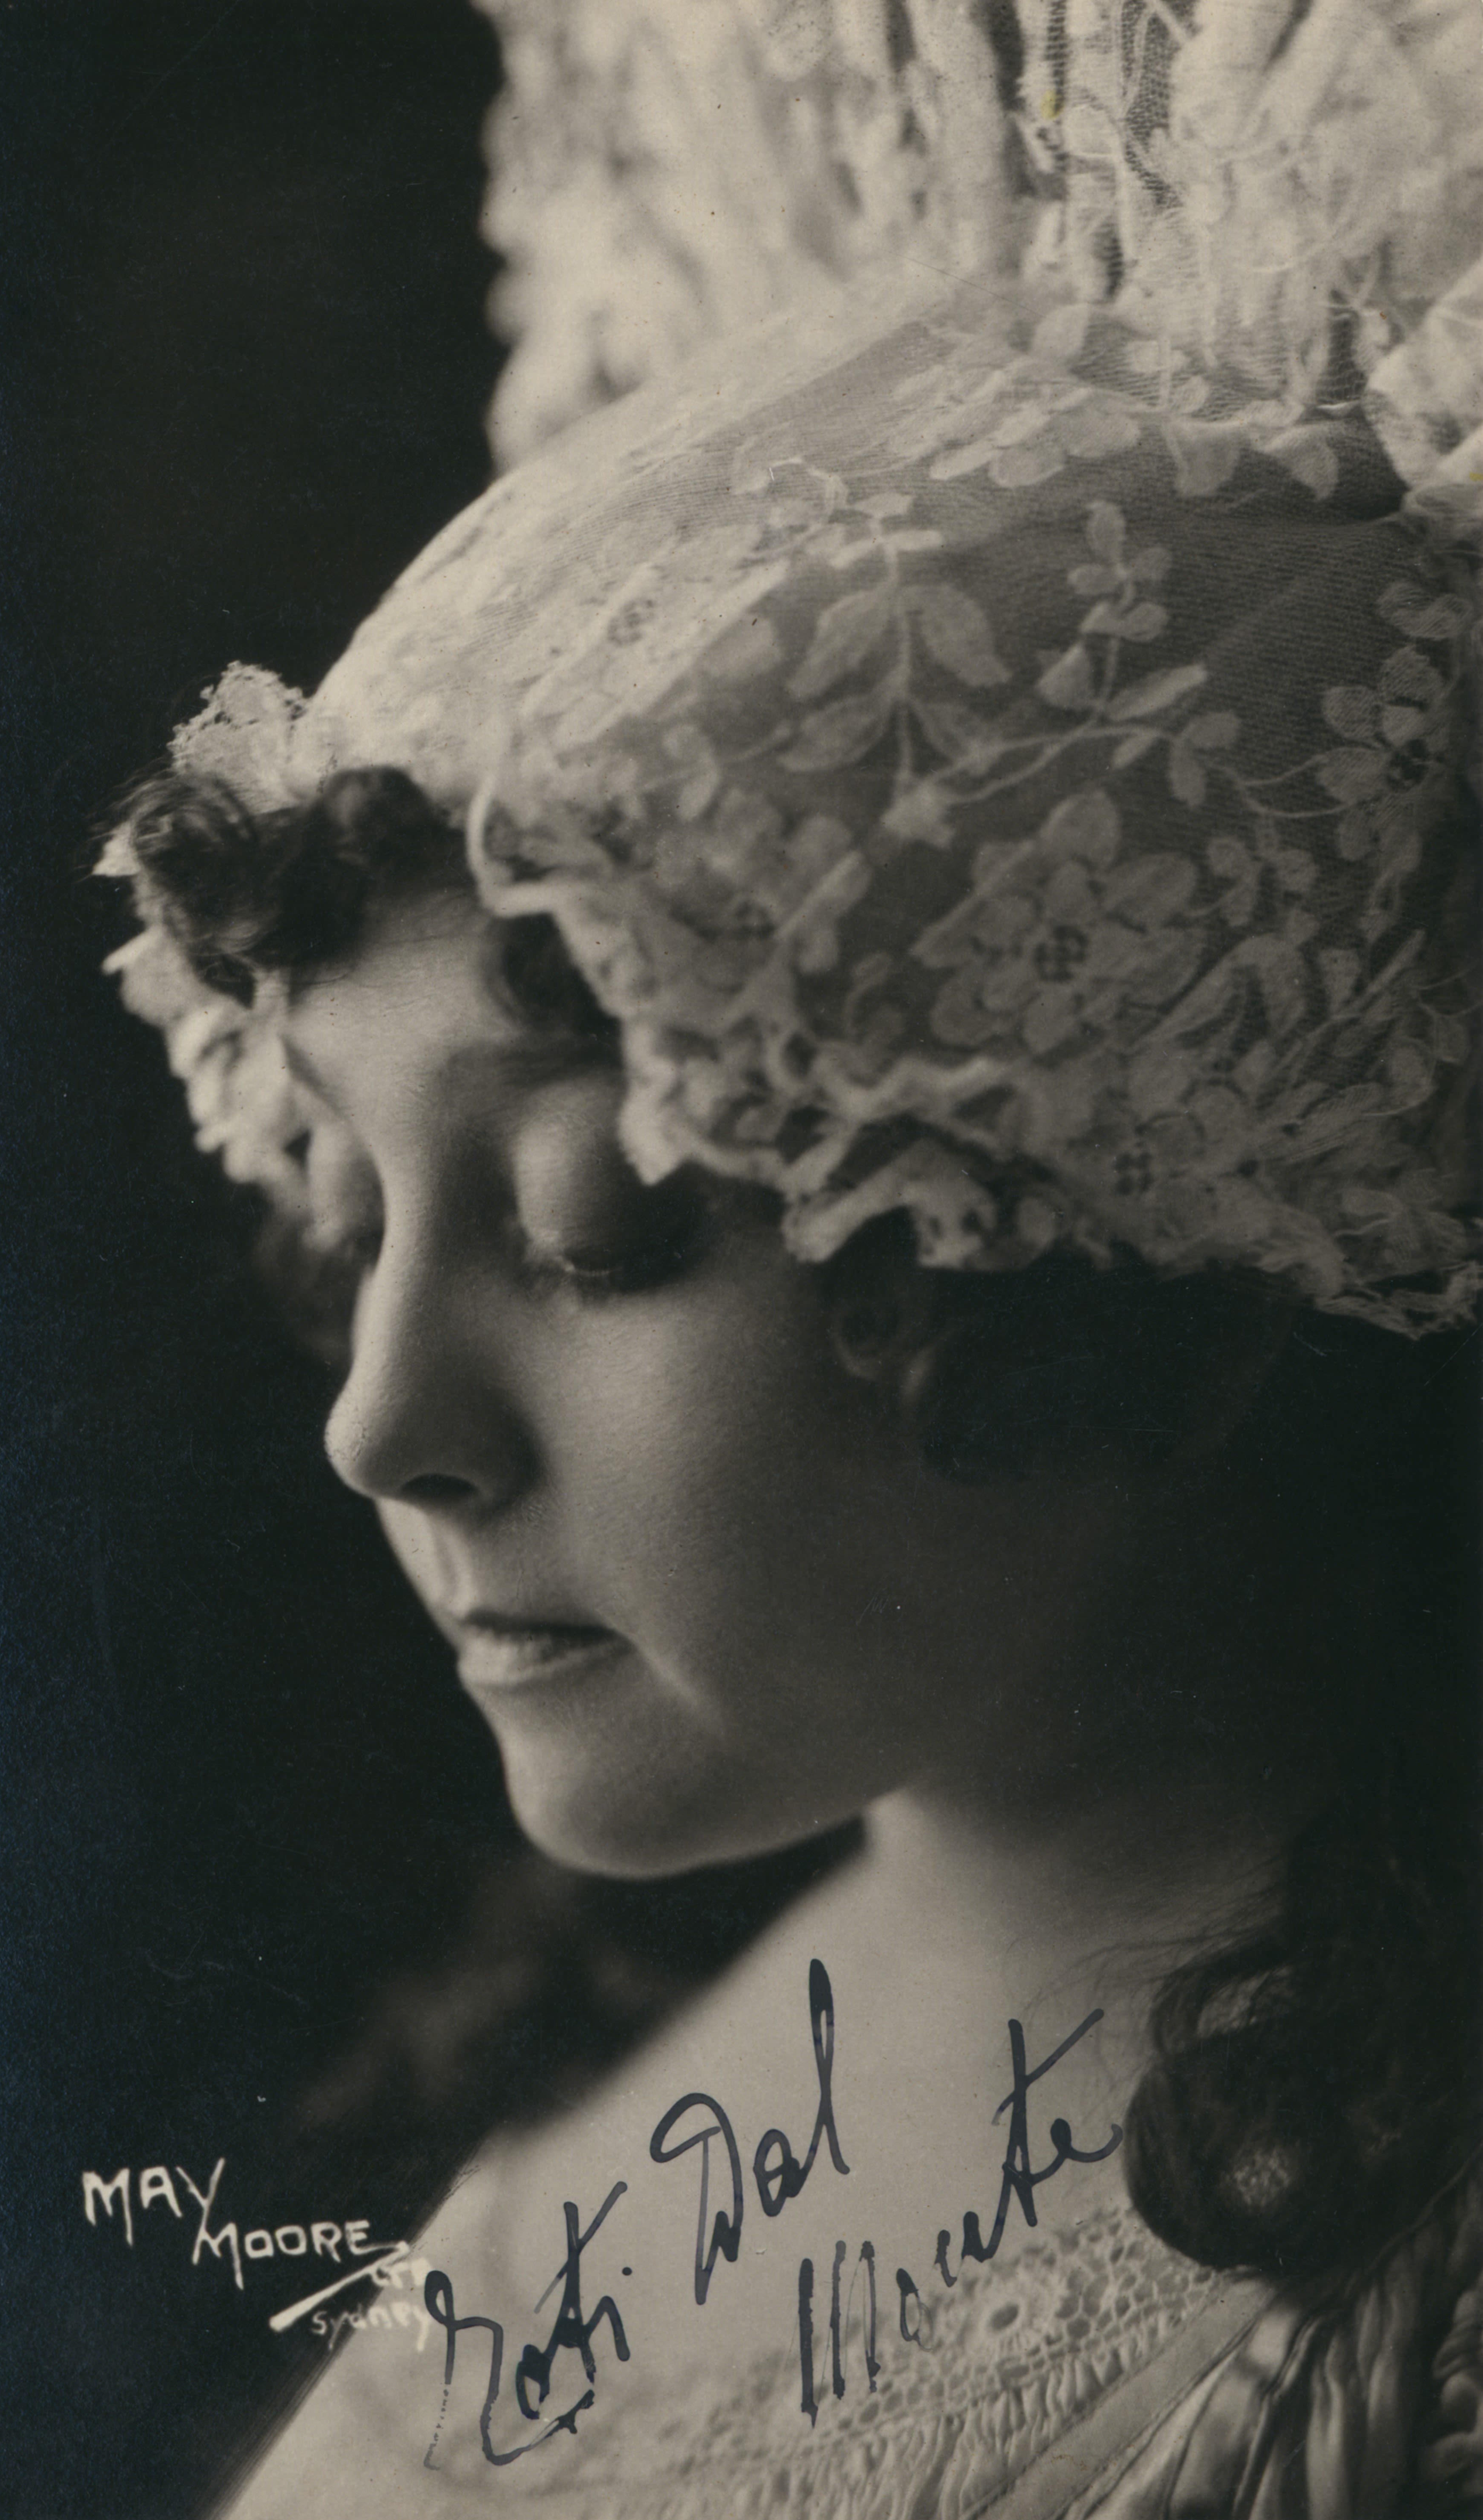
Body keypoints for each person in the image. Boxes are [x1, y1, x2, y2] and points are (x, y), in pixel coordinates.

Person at [96, 2, 1482, 2510]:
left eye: (593, 1220)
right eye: (352, 1189)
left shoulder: (1412, 2339)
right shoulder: (580, 2174)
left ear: (1122, 1234)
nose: (380, 1415)